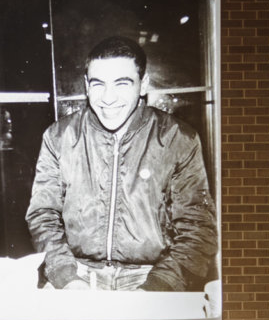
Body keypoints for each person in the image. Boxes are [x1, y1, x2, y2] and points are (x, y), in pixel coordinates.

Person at [25, 36, 216, 292]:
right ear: (86, 86)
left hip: (152, 274)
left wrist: (157, 287)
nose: (108, 98)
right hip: (76, 271)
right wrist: (66, 277)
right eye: (98, 84)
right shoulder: (59, 137)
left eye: (122, 84)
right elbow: (42, 215)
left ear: (143, 84)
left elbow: (197, 230)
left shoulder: (178, 139)